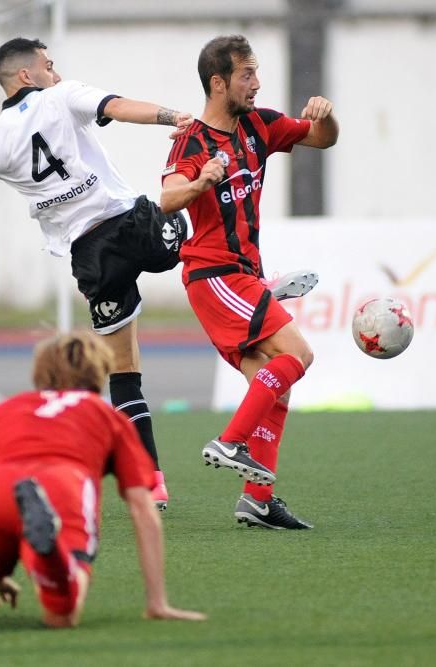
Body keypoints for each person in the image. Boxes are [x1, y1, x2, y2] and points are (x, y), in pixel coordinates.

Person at [0, 37, 272, 510]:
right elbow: (117, 106)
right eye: (48, 65)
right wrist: (173, 116)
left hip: (91, 257)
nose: (55, 72)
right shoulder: (60, 95)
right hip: (133, 226)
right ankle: (251, 287)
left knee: (124, 372)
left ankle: (151, 481)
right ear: (26, 76)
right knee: (194, 227)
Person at [0, 330, 206, 628]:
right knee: (62, 615)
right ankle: (52, 563)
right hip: (61, 490)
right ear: (99, 371)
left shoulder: (6, 408)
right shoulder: (107, 416)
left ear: (40, 370)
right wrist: (157, 601)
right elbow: (142, 508)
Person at [159, 35, 338, 529]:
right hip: (213, 275)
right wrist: (202, 181)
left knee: (277, 388)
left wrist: (325, 115)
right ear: (219, 83)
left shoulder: (259, 125)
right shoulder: (191, 141)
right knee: (298, 355)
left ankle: (257, 499)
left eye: (256, 73)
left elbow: (322, 139)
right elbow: (168, 198)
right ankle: (230, 441)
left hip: (245, 276)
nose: (256, 84)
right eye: (246, 75)